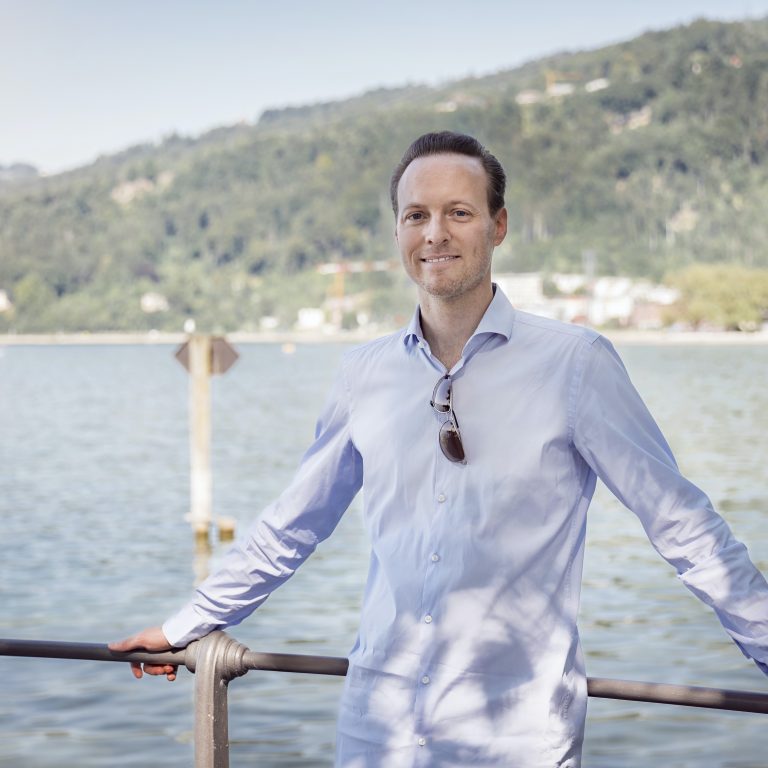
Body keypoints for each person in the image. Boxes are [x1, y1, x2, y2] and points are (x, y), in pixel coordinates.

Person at [111, 131, 768, 767]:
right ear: (397, 230)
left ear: (498, 225)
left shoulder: (576, 364)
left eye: (459, 212)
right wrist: (186, 624)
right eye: (415, 215)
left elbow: (681, 523)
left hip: (516, 740)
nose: (434, 234)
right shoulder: (364, 374)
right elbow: (293, 524)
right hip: (379, 732)